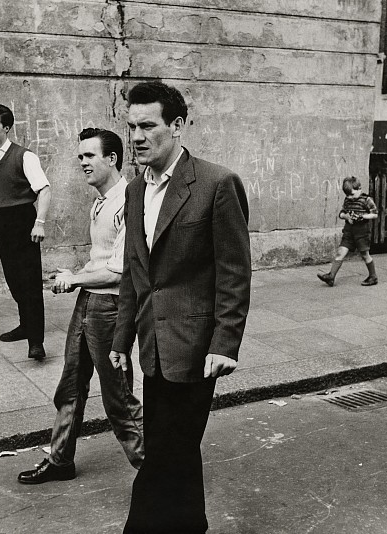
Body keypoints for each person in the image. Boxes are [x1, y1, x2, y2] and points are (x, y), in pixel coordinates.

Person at [109, 81, 252, 534]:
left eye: (147, 125)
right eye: (131, 126)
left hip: (196, 348)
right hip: (153, 346)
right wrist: (121, 338)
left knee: (165, 455)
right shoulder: (134, 191)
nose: (135, 136)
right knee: (176, 450)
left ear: (177, 125)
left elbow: (234, 271)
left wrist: (226, 342)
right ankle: (192, 524)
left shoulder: (216, 183)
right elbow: (137, 271)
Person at [17, 128, 144, 484]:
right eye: (81, 157)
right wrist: (76, 275)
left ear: (112, 159)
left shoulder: (129, 200)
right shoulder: (100, 200)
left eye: (89, 156)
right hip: (90, 302)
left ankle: (157, 471)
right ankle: (60, 460)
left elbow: (121, 271)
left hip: (111, 308)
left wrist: (74, 279)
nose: (82, 163)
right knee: (70, 386)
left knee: (118, 399)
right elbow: (101, 260)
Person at [0, 104, 51, 360]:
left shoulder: (25, 156)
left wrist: (39, 222)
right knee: (14, 281)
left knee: (30, 282)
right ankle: (25, 325)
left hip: (24, 220)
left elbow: (43, 190)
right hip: (2, 223)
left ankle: (36, 342)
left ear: (6, 128)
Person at [317, 176, 378, 287]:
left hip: (362, 233)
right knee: (340, 252)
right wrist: (346, 216)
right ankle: (331, 276)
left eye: (352, 194)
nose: (349, 197)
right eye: (347, 195)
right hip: (349, 232)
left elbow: (374, 214)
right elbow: (341, 213)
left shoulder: (366, 200)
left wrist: (363, 216)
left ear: (359, 189)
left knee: (365, 255)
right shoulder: (348, 200)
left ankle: (373, 276)